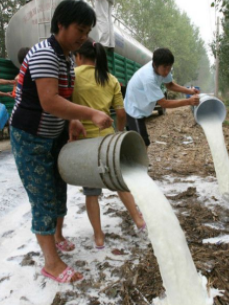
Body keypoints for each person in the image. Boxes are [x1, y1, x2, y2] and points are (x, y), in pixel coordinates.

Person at [10, 0, 112, 283]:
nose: (84, 37)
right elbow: (49, 101)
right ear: (60, 25)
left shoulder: (67, 57)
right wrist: (90, 113)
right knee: (42, 196)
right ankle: (51, 263)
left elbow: (63, 100)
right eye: (80, 29)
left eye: (88, 31)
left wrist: (73, 120)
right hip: (31, 137)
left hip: (53, 135)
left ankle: (57, 236)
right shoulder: (44, 54)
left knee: (57, 188)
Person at [72, 39, 146, 249]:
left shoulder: (73, 76)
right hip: (107, 141)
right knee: (118, 182)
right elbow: (121, 113)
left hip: (84, 143)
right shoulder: (111, 79)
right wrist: (119, 133)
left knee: (91, 192)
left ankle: (98, 236)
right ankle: (139, 220)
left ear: (79, 56)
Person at [124, 48, 200, 147]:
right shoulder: (149, 78)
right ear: (155, 65)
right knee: (141, 143)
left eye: (169, 68)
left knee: (140, 142)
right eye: (165, 68)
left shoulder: (164, 68)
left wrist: (189, 91)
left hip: (141, 106)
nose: (167, 72)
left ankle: (138, 160)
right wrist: (188, 101)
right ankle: (139, 161)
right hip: (134, 109)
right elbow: (164, 103)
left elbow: (170, 85)